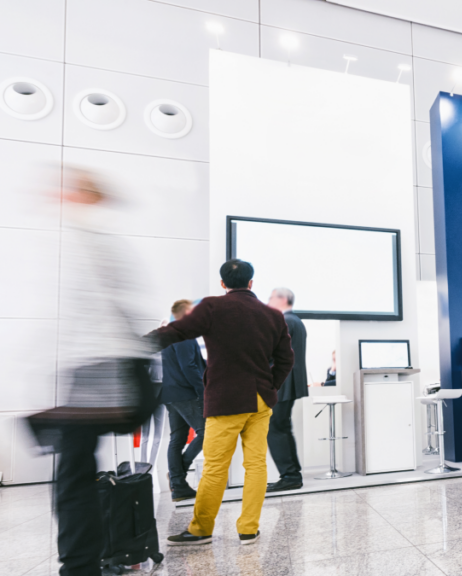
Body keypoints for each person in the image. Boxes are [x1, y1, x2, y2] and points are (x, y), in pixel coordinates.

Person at [48, 169, 156, 576]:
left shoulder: (74, 241)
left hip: (96, 370)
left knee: (73, 478)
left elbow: (72, 314)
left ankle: (79, 567)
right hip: (120, 369)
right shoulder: (109, 242)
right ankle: (83, 564)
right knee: (77, 471)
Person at [148, 259, 294, 547]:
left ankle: (201, 529)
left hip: (226, 399)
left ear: (223, 283)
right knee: (256, 465)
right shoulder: (273, 316)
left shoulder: (213, 307)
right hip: (261, 399)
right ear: (251, 283)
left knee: (215, 467)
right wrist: (270, 386)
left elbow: (176, 332)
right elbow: (286, 360)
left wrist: (139, 343)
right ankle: (248, 529)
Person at [161, 299, 207, 502]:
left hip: (171, 394)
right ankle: (178, 476)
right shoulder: (184, 335)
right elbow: (189, 366)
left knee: (177, 438)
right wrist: (203, 391)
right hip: (186, 394)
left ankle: (179, 485)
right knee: (206, 432)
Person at [266, 287, 309, 493]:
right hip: (288, 381)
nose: (267, 301)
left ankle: (290, 475)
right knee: (281, 427)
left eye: (271, 297)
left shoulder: (285, 321)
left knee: (275, 428)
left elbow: (270, 353)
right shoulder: (295, 321)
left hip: (281, 382)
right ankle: (292, 474)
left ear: (282, 299)